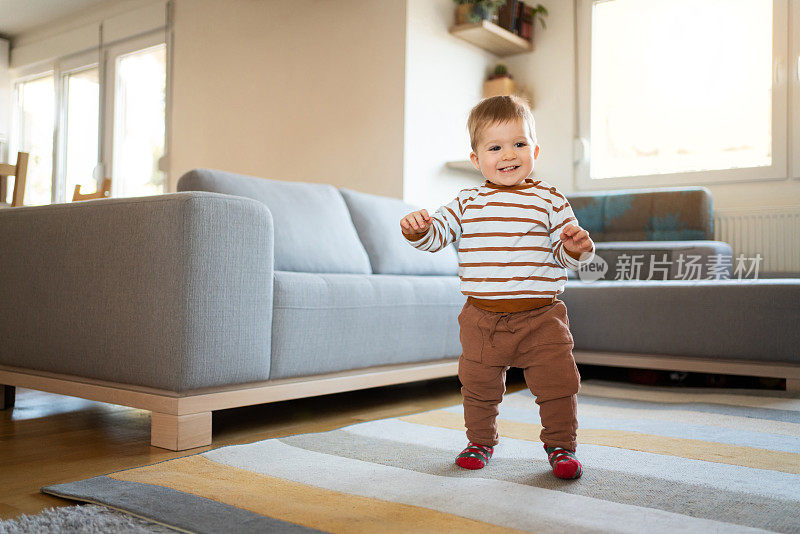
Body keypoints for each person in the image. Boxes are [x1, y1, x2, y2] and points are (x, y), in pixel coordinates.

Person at [399, 95, 595, 480]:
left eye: (519, 144)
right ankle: (480, 441)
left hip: (542, 317)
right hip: (482, 319)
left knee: (558, 384)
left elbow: (565, 251)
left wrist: (577, 248)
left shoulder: (550, 199)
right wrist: (419, 231)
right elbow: (438, 235)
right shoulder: (467, 201)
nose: (509, 154)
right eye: (495, 147)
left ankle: (561, 446)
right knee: (478, 386)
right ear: (476, 159)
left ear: (534, 149)